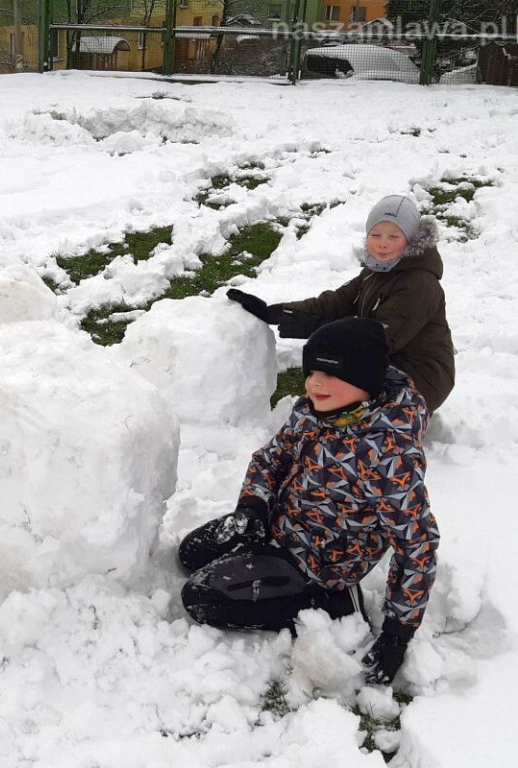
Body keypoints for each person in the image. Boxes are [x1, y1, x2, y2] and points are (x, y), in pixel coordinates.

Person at [178, 317, 440, 684]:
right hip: (281, 521)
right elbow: (270, 459)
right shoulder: (314, 410)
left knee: (201, 598)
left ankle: (328, 601)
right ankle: (263, 544)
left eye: (331, 374)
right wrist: (253, 507)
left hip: (323, 560)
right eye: (312, 370)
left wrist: (398, 633)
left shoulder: (388, 456)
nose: (315, 382)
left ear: (365, 380)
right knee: (190, 554)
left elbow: (417, 544)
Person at [227, 195, 455, 412]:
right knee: (332, 376)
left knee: (339, 376)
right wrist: (275, 312)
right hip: (388, 359)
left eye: (393, 237)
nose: (383, 244)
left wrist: (319, 329)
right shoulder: (377, 270)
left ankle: (396, 422)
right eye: (376, 235)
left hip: (422, 376)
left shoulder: (419, 284)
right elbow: (337, 302)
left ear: (411, 240)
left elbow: (380, 339)